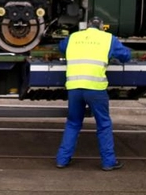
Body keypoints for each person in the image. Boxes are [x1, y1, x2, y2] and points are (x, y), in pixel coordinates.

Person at [55, 16, 132, 171]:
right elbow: (126, 56)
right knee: (103, 124)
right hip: (95, 88)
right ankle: (108, 162)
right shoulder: (108, 38)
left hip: (75, 87)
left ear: (87, 25)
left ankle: (62, 160)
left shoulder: (74, 37)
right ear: (102, 26)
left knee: (73, 123)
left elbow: (61, 47)